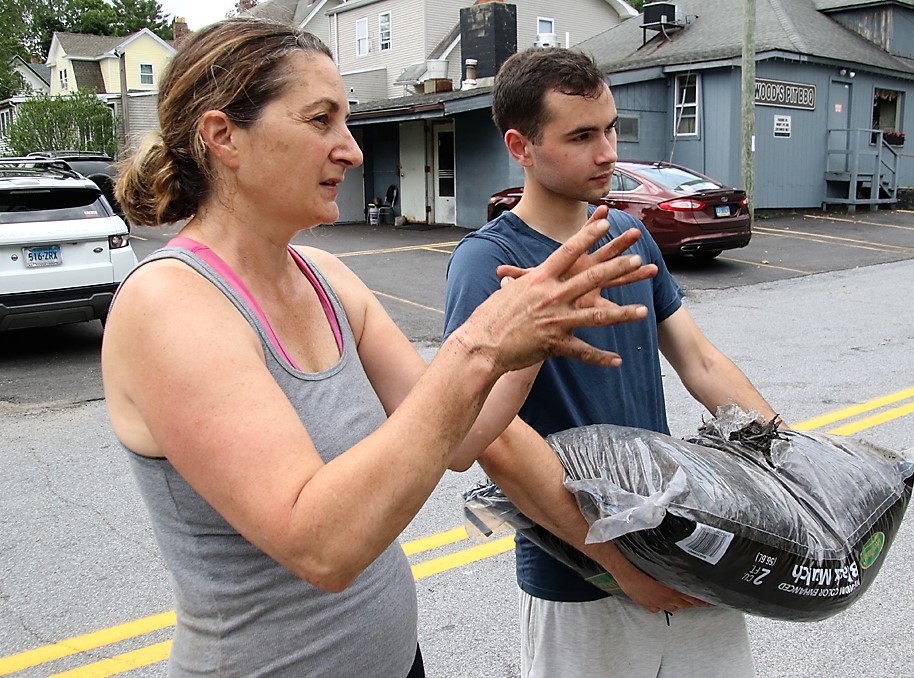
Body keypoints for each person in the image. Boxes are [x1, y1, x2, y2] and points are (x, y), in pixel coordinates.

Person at [101, 18, 662, 678]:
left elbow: (457, 439)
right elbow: (324, 547)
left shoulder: (326, 276)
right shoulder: (171, 303)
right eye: (321, 121)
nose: (352, 150)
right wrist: (481, 344)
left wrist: (531, 337)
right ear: (224, 136)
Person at [443, 48, 784, 678]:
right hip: (580, 579)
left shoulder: (628, 233)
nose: (607, 153)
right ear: (521, 146)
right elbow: (483, 441)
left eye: (611, 129)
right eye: (580, 136)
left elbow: (701, 361)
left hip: (678, 544)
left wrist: (786, 464)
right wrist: (624, 570)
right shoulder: (486, 263)